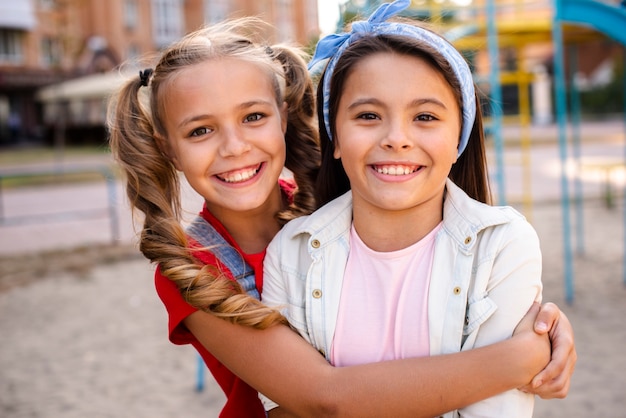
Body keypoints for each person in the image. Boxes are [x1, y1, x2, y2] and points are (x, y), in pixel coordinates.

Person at [107, 16, 575, 418]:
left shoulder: (338, 206)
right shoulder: (192, 268)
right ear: (167, 147)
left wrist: (545, 330)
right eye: (201, 130)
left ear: (283, 117)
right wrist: (519, 360)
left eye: (252, 117)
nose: (234, 147)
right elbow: (324, 399)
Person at [261, 0, 570, 416]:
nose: (397, 138)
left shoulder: (502, 246)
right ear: (334, 136)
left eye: (425, 116)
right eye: (369, 115)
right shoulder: (291, 252)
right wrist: (515, 362)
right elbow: (286, 407)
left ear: (459, 134)